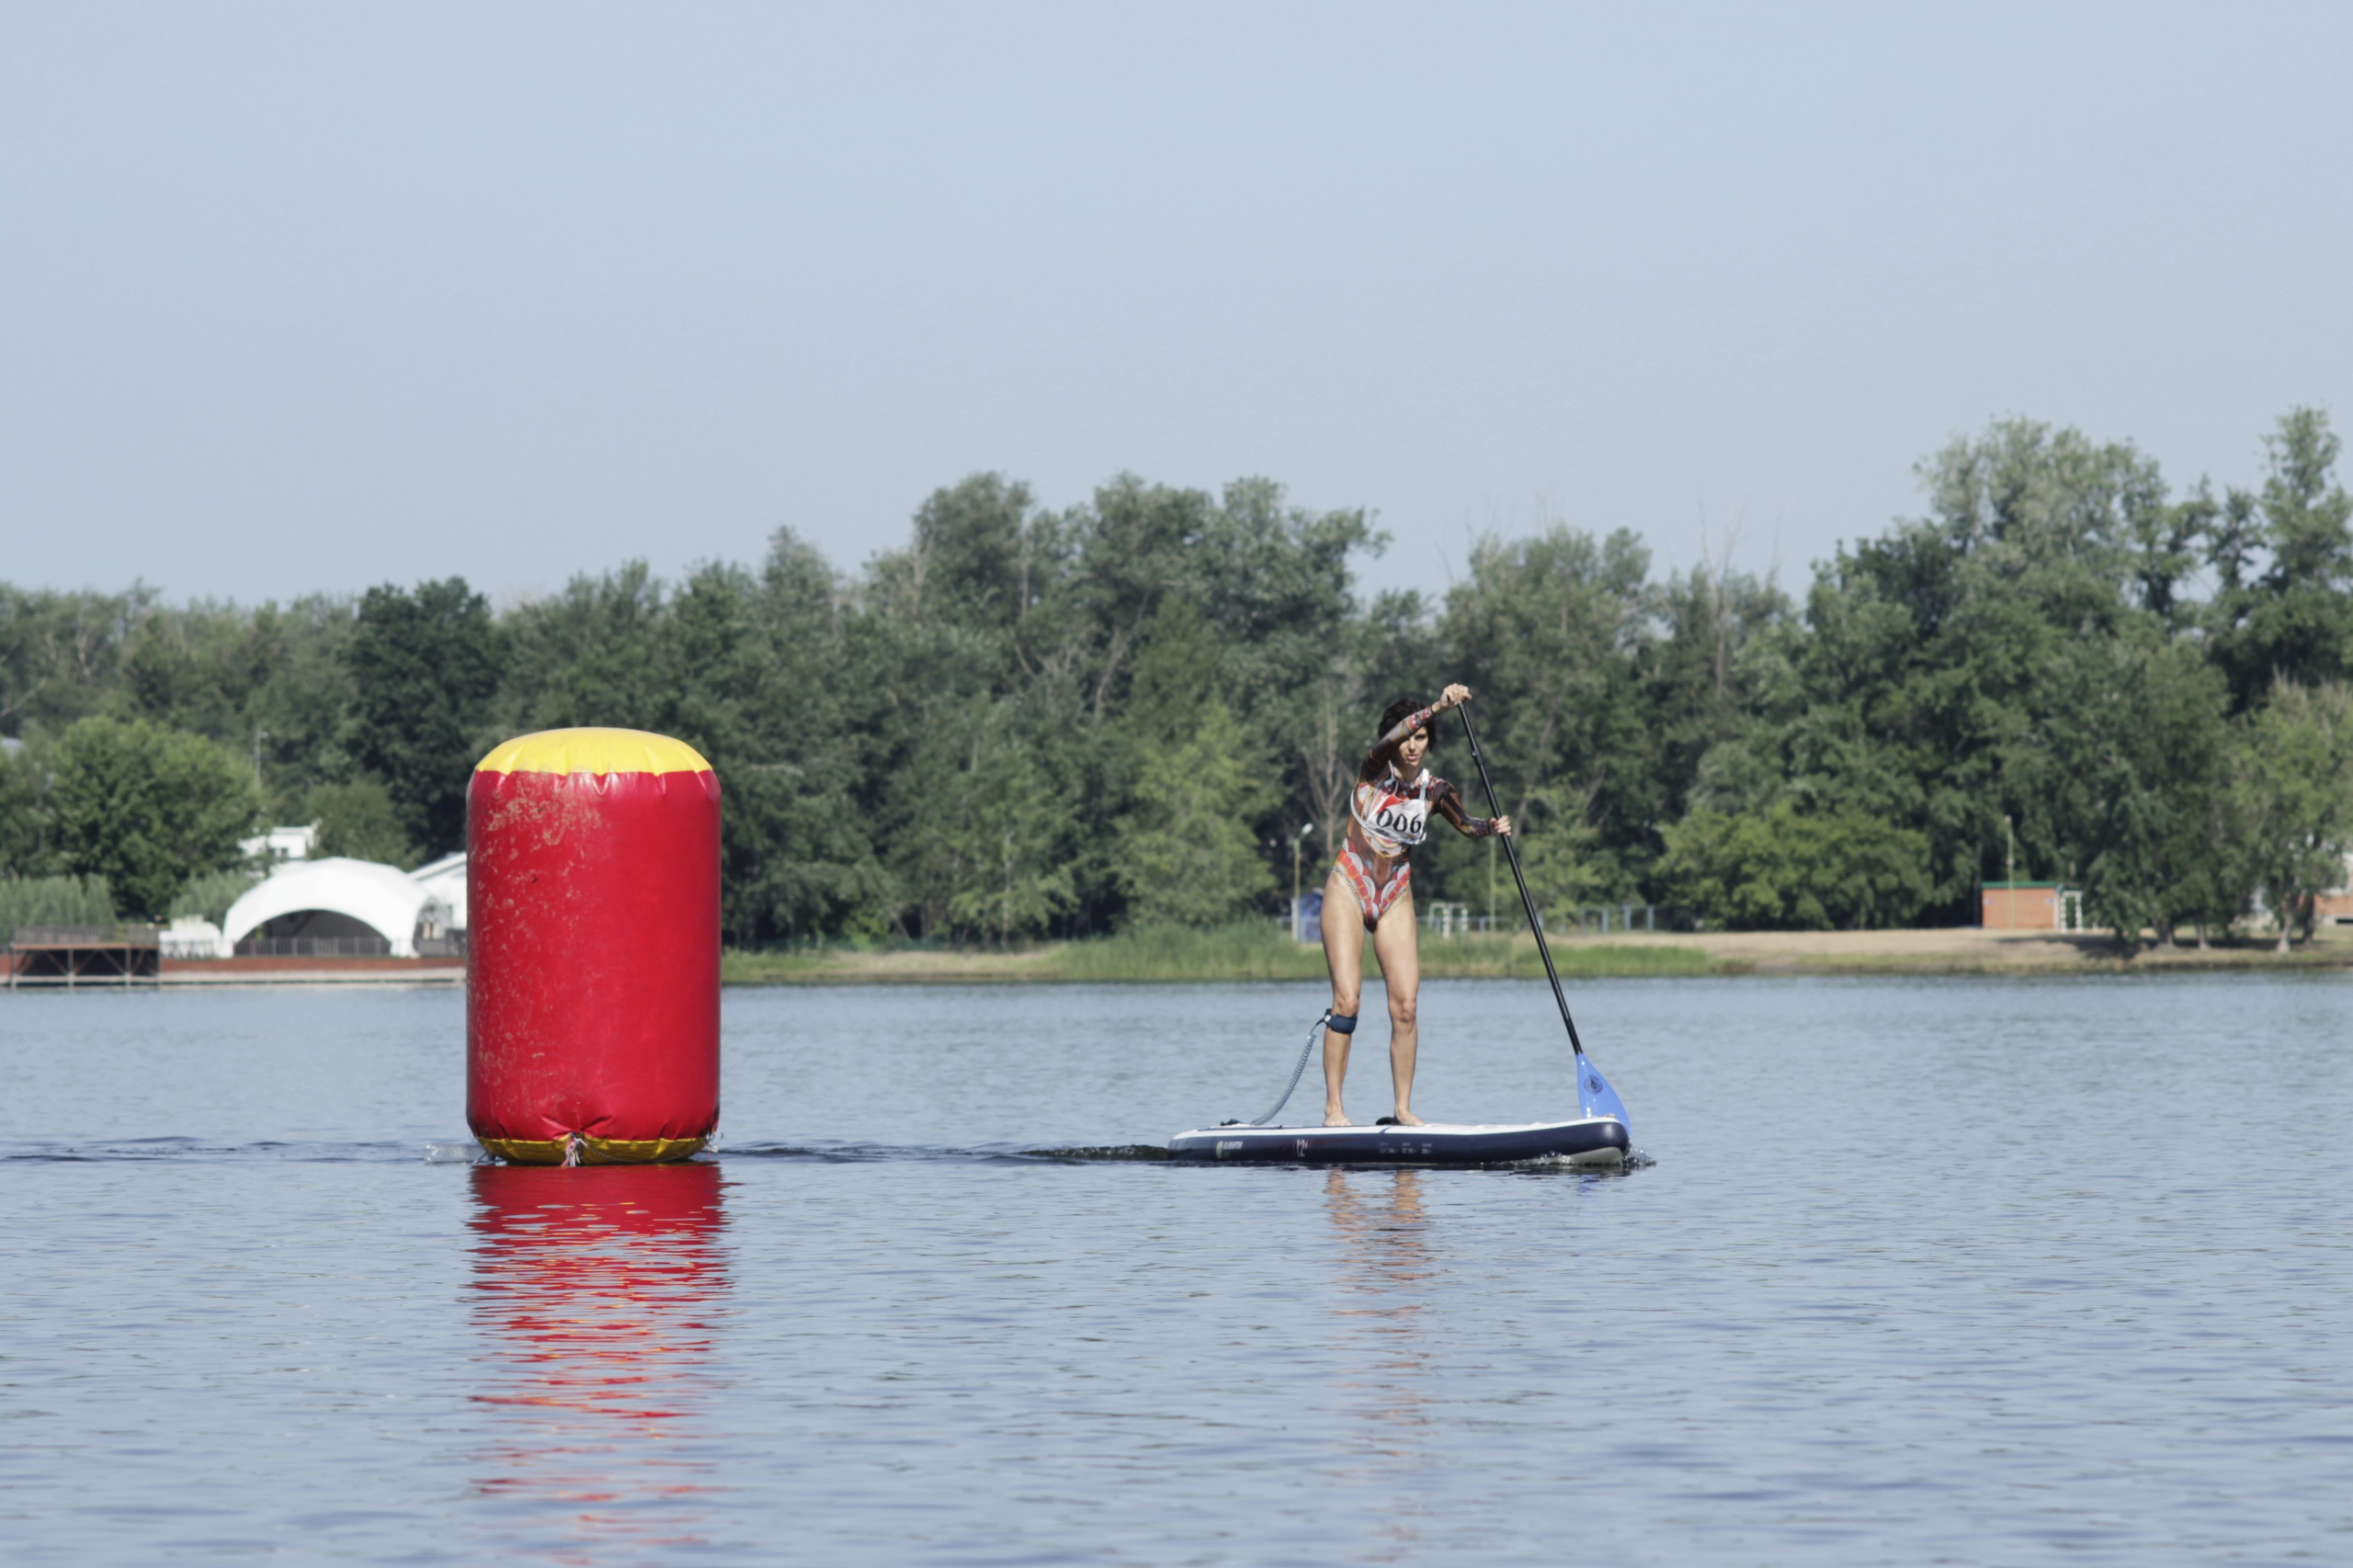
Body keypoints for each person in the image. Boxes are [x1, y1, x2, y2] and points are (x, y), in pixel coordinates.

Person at [1319, 684, 1511, 1127]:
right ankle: (1334, 1109)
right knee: (1347, 1001)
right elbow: (1394, 736)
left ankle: (1402, 1109)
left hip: (1395, 896)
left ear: (1430, 743)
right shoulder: (1372, 769)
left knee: (1405, 1006)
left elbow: (1466, 824)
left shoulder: (1434, 790)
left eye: (1422, 737)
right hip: (1350, 885)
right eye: (1408, 736)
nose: (1412, 745)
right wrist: (1437, 707)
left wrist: (1491, 827)